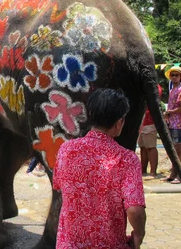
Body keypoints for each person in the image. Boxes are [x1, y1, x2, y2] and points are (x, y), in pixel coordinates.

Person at [54, 89, 146, 249]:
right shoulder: (127, 159)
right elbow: (135, 210)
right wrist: (138, 234)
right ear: (119, 123)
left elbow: (58, 186)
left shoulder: (66, 150)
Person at [162, 66, 181, 183]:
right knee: (173, 149)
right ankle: (173, 173)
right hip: (171, 122)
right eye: (172, 75)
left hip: (177, 123)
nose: (174, 77)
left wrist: (170, 112)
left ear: (180, 77)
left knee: (178, 149)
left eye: (176, 75)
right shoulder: (173, 90)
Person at [138, 85, 162, 178]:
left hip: (150, 120)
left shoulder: (155, 87)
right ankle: (143, 171)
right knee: (143, 147)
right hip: (141, 121)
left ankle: (153, 172)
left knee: (151, 147)